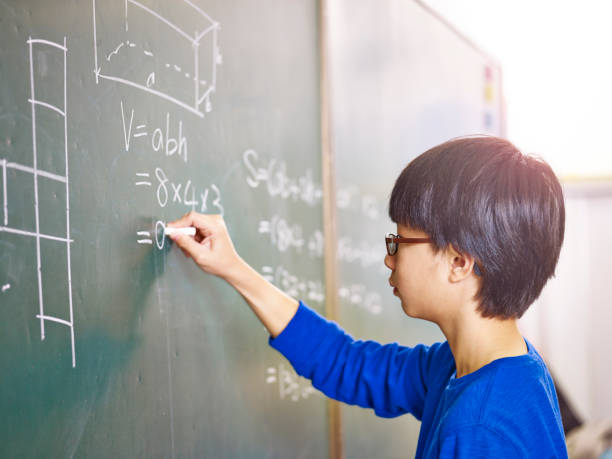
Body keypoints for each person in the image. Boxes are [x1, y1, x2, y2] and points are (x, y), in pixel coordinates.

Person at [167, 135, 568, 458]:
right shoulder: (486, 367)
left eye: (400, 241)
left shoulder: (479, 429)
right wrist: (233, 268)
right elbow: (349, 363)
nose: (388, 258)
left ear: (459, 262)